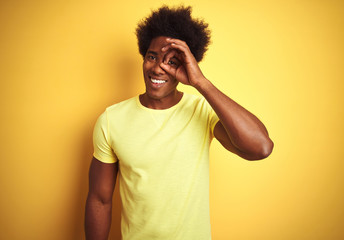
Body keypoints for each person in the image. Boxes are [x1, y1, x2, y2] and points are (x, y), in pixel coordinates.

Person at [85, 5, 273, 240]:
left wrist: (200, 82)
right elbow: (100, 200)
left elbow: (261, 148)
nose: (157, 68)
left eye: (171, 62)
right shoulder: (111, 120)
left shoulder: (202, 111)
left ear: (186, 66)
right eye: (152, 57)